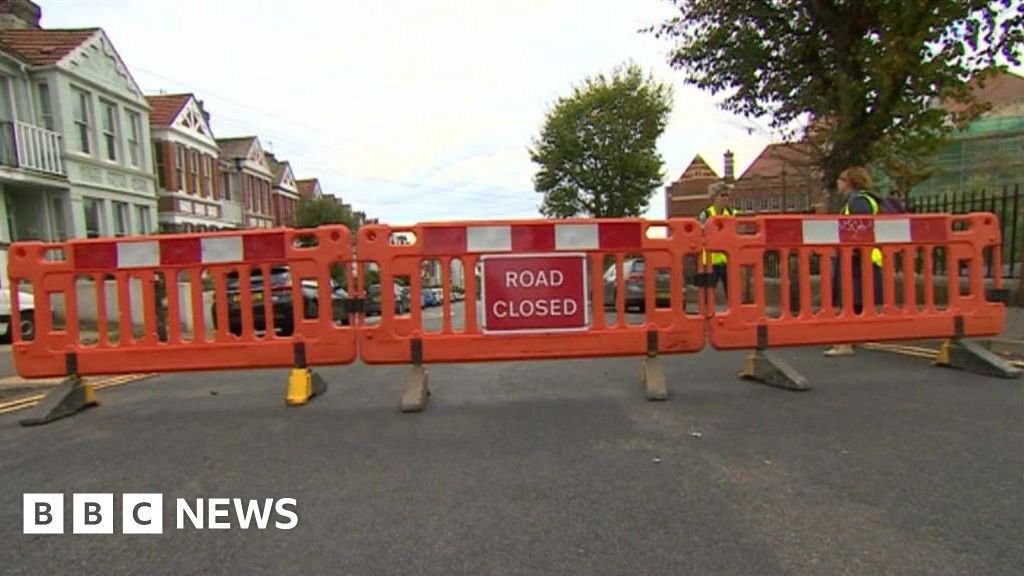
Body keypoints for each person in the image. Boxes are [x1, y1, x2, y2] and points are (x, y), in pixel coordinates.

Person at [824, 166, 883, 357]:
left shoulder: (859, 201)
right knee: (854, 301)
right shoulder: (858, 199)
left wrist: (854, 252)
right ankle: (850, 338)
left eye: (840, 179)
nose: (838, 183)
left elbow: (861, 229)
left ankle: (845, 344)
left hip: (857, 258)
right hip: (858, 257)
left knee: (848, 300)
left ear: (848, 182)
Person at [699, 181, 737, 296]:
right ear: (714, 197)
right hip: (709, 261)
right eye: (722, 195)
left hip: (728, 260)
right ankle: (706, 314)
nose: (726, 198)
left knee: (732, 294)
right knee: (706, 294)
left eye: (727, 195)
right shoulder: (705, 215)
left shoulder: (732, 214)